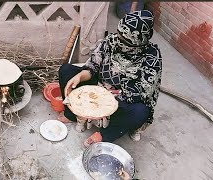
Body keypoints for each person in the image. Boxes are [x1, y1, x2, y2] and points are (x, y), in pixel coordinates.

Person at [58, 10, 162, 146]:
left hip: (122, 99)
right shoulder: (111, 41)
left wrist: (106, 101)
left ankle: (105, 134)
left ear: (138, 42)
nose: (118, 40)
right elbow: (92, 67)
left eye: (124, 40)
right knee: (66, 70)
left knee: (141, 112)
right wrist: (80, 76)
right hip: (98, 87)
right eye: (119, 34)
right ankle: (72, 115)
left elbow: (144, 93)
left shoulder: (151, 57)